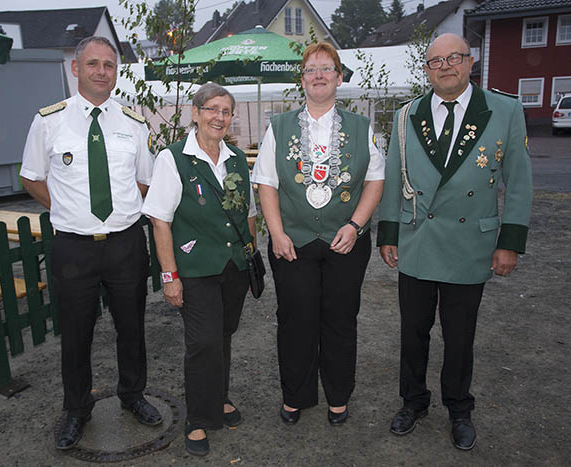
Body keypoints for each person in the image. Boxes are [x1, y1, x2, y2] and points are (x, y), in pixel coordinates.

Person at [377, 33, 533, 450]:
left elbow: (518, 182)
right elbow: (394, 175)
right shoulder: (407, 114)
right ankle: (413, 401)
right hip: (418, 241)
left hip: (469, 244)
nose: (445, 66)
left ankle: (459, 409)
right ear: (426, 69)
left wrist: (510, 242)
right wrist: (388, 233)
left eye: (454, 58)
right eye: (435, 61)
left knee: (460, 335)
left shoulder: (504, 110)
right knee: (413, 332)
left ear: (470, 62)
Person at [20, 36, 162, 451]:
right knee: (76, 333)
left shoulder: (133, 124)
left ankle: (133, 395)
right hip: (73, 248)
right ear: (76, 69)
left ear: (116, 72)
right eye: (94, 64)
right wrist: (65, 207)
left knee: (132, 328)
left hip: (124, 244)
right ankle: (77, 409)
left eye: (109, 65)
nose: (102, 71)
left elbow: (143, 181)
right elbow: (31, 176)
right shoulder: (49, 121)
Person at [252, 42, 384, 425]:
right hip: (292, 242)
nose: (319, 75)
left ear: (339, 78)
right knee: (295, 320)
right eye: (311, 70)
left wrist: (355, 225)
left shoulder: (362, 127)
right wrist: (276, 234)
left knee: (341, 320)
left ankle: (338, 396)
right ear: (303, 80)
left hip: (346, 242)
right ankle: (296, 395)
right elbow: (266, 184)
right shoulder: (279, 127)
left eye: (327, 69)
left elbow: (375, 180)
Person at [142, 83, 257, 456]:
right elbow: (160, 221)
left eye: (226, 111)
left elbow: (249, 214)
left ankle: (219, 399)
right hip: (194, 268)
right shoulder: (172, 158)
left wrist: (251, 256)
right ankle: (197, 418)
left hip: (233, 267)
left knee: (222, 336)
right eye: (212, 109)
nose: (219, 117)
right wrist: (169, 276)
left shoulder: (237, 159)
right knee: (202, 343)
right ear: (195, 113)